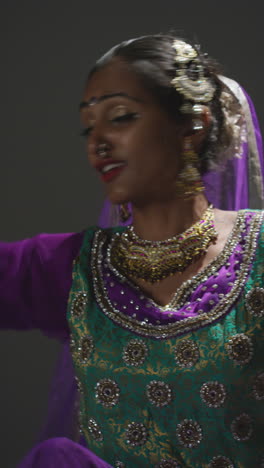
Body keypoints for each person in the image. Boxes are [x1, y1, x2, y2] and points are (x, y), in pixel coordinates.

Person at [2, 34, 264, 468]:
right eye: (89, 128)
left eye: (120, 117)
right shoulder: (74, 269)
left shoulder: (258, 252)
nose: (97, 143)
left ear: (192, 125)